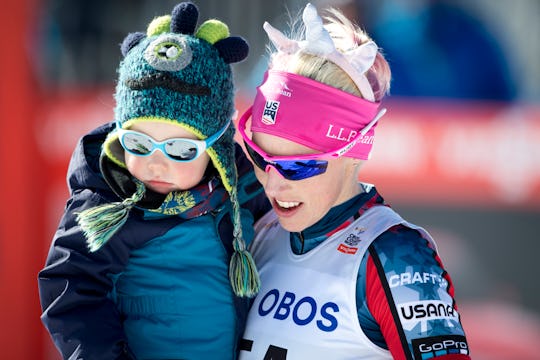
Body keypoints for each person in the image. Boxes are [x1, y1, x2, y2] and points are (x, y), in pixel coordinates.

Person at [238, 3, 470, 360]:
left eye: (298, 166)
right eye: (260, 158)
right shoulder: (258, 228)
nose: (273, 185)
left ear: (352, 153)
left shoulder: (395, 256)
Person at [38, 2, 269, 359]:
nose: (155, 164)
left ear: (217, 148)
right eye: (139, 144)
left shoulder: (242, 189)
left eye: (179, 149)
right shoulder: (108, 203)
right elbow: (72, 291)